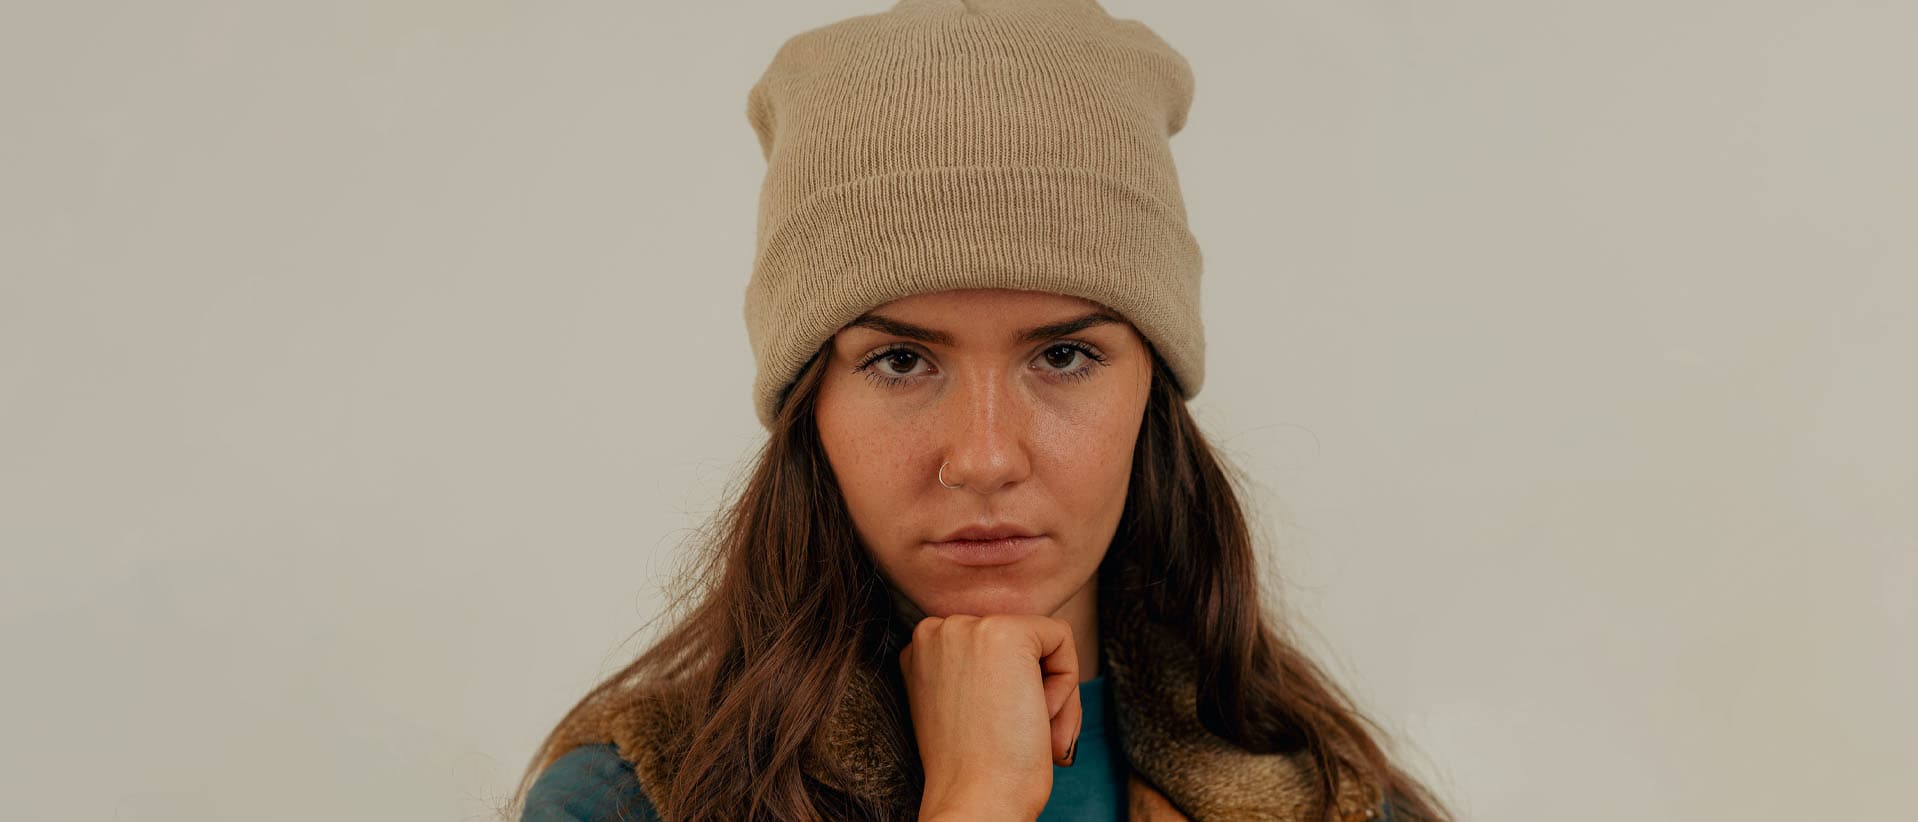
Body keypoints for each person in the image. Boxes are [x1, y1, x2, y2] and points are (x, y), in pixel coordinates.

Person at [511, 1, 1451, 819]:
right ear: (810, 405)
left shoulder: (1337, 801)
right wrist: (979, 802)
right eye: (900, 360)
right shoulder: (633, 800)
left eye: (1066, 355)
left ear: (1150, 392)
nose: (986, 456)